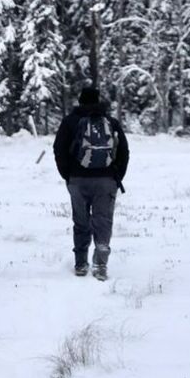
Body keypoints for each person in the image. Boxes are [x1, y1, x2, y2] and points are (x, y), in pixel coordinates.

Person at [53, 86, 130, 280]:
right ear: (99, 101)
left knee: (81, 221)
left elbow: (58, 149)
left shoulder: (70, 122)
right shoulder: (111, 122)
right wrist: (116, 176)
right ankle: (100, 265)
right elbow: (124, 151)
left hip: (78, 180)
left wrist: (68, 176)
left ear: (80, 101)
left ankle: (80, 263)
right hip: (106, 180)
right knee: (103, 221)